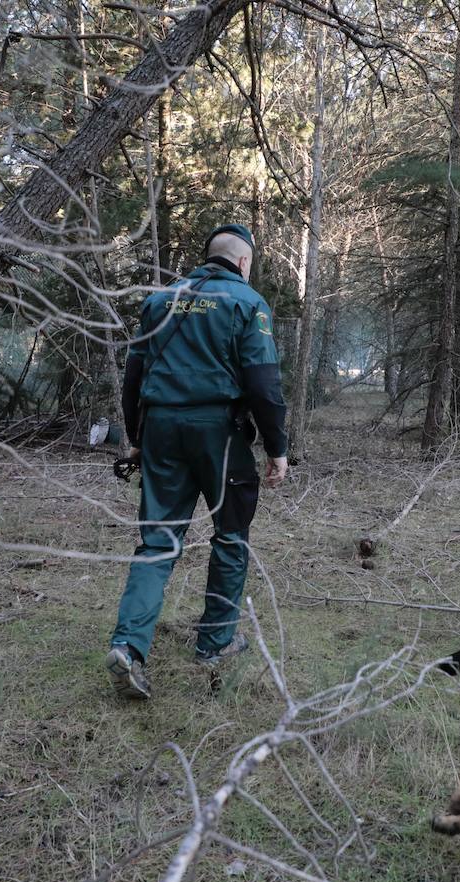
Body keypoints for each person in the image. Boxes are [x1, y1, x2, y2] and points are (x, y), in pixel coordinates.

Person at [105, 224, 289, 700]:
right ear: (244, 263)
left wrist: (137, 439)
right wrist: (277, 448)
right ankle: (216, 643)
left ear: (208, 256)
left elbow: (134, 378)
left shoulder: (158, 301)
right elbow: (264, 386)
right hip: (219, 434)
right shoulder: (248, 304)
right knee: (230, 536)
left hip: (162, 430)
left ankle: (128, 645)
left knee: (157, 543)